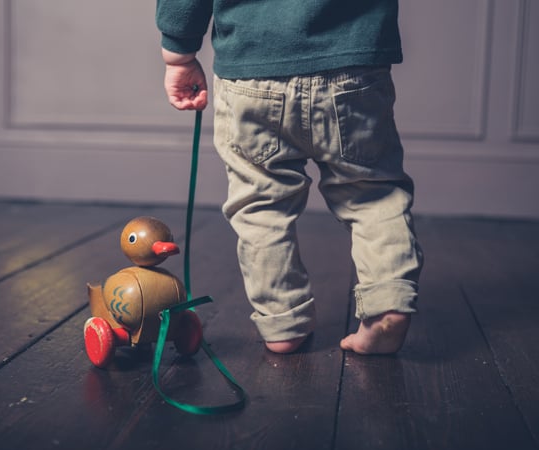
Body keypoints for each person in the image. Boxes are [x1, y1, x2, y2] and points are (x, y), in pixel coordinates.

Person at [156, 0, 424, 355]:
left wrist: (179, 51)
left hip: (251, 73)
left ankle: (283, 321)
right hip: (354, 66)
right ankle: (388, 301)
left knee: (261, 204)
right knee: (372, 194)